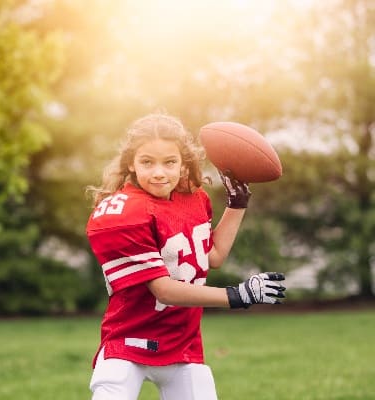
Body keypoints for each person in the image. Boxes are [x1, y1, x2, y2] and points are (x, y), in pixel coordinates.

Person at [85, 112, 286, 400]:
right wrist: (237, 295)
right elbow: (164, 290)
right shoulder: (123, 213)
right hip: (129, 344)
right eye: (147, 162)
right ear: (131, 163)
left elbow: (213, 257)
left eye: (169, 162)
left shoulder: (194, 199)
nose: (159, 172)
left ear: (183, 164)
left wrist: (237, 204)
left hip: (182, 343)